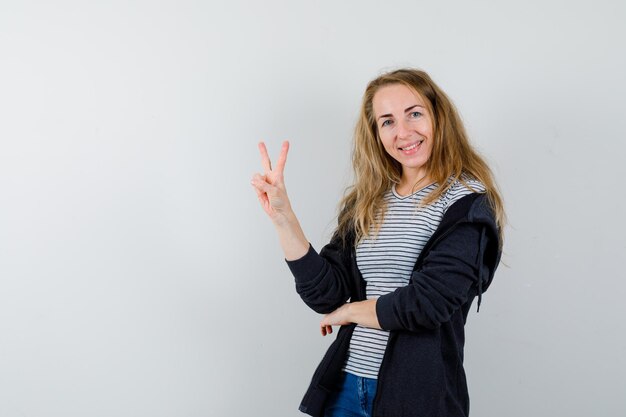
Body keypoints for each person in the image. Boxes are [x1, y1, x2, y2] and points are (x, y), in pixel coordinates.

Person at [250, 68, 505, 417]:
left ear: (438, 117)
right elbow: (326, 294)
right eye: (387, 121)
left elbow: (427, 304)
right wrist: (284, 218)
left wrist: (352, 311)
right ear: (376, 133)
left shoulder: (466, 204)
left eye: (414, 114)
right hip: (346, 388)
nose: (403, 132)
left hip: (417, 399)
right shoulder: (369, 201)